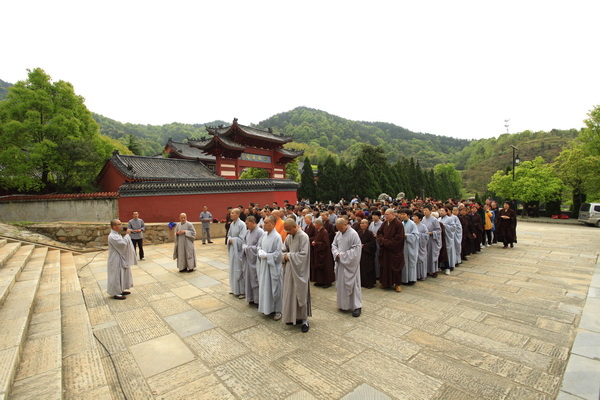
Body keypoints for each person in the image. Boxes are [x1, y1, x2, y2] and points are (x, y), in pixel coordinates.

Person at [282, 218, 311, 333]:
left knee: (301, 294)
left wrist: (288, 256)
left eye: (289, 230)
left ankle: (304, 320)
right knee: (290, 294)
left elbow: (303, 255)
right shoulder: (289, 237)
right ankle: (294, 317)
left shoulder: (304, 237)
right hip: (290, 269)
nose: (288, 233)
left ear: (295, 227)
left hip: (300, 271)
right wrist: (284, 255)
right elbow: (283, 249)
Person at [332, 218, 363, 317]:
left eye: (340, 228)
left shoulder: (353, 234)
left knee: (353, 285)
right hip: (341, 263)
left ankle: (357, 306)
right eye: (338, 228)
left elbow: (357, 249)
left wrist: (343, 256)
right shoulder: (339, 234)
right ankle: (343, 305)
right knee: (341, 285)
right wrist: (336, 253)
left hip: (350, 265)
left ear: (346, 224)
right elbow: (333, 245)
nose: (339, 230)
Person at [257, 216, 283, 319]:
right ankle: (266, 308)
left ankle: (277, 310)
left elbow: (278, 254)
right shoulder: (263, 235)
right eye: (264, 222)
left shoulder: (277, 237)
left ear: (273, 224)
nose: (264, 224)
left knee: (274, 288)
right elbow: (259, 246)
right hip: (264, 266)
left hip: (273, 267)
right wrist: (259, 251)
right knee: (265, 287)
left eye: (267, 223)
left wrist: (267, 256)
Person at [376, 208, 405, 292]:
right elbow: (379, 233)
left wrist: (386, 242)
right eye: (385, 214)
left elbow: (399, 238)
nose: (385, 216)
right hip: (385, 249)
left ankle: (397, 284)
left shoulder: (398, 224)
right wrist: (383, 241)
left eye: (387, 214)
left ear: (393, 215)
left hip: (394, 250)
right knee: (385, 266)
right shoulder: (385, 223)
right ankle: (386, 283)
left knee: (395, 267)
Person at [107, 219, 135, 300]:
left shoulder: (117, 234)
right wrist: (127, 235)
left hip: (120, 257)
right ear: (114, 226)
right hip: (115, 258)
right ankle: (116, 293)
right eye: (119, 224)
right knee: (116, 275)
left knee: (121, 274)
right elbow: (122, 244)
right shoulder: (112, 236)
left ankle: (121, 289)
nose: (121, 226)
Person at [242, 216, 263, 305]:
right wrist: (245, 247)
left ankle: (257, 299)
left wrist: (248, 248)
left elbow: (260, 247)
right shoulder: (247, 232)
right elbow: (243, 242)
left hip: (255, 260)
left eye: (247, 223)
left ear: (253, 222)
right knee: (248, 278)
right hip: (248, 260)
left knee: (256, 279)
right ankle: (251, 297)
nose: (246, 226)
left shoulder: (260, 232)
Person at [227, 208, 247, 298]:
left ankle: (242, 291)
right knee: (233, 269)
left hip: (238, 251)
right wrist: (230, 239)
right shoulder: (232, 224)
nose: (231, 214)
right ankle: (234, 288)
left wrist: (233, 240)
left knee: (239, 269)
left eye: (233, 213)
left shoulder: (242, 224)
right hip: (233, 250)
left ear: (238, 215)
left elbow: (242, 239)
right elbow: (229, 235)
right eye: (231, 213)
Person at [310, 218, 335, 288]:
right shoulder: (319, 231)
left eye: (315, 224)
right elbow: (317, 238)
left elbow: (325, 244)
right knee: (319, 268)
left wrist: (316, 243)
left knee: (325, 268)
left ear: (318, 224)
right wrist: (315, 241)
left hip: (324, 254)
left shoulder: (324, 232)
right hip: (319, 253)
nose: (314, 225)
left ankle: (327, 282)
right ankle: (320, 281)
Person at [399, 209, 419, 284]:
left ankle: (411, 279)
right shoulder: (401, 223)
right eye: (401, 214)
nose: (402, 216)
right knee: (404, 262)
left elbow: (416, 236)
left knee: (410, 263)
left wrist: (406, 236)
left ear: (408, 215)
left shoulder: (412, 224)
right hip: (403, 246)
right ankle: (404, 279)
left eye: (404, 214)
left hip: (410, 246)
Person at [422, 206, 442, 278]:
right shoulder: (423, 219)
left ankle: (434, 270)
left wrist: (431, 233)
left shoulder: (434, 220)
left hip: (432, 240)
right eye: (424, 210)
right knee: (426, 255)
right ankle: (426, 270)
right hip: (425, 240)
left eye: (426, 210)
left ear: (430, 211)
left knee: (432, 255)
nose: (425, 211)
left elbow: (438, 230)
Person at [357, 218, 376, 289]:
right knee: (361, 267)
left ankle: (369, 283)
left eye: (363, 223)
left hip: (367, 253)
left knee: (368, 267)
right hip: (360, 252)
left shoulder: (370, 233)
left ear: (367, 225)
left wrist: (364, 246)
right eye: (361, 223)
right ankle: (361, 282)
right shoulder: (359, 232)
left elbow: (372, 244)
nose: (362, 225)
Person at [412, 212, 429, 281]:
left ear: (420, 219)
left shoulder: (423, 226)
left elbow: (426, 236)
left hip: (420, 245)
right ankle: (415, 275)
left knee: (421, 260)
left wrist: (418, 235)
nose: (414, 218)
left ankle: (422, 275)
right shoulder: (412, 225)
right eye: (413, 216)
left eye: (415, 216)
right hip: (413, 245)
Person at [368, 210, 383, 280]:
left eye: (375, 215)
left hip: (378, 243)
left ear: (379, 216)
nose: (373, 217)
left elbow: (383, 234)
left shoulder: (382, 224)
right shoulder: (371, 224)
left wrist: (377, 235)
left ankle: (379, 274)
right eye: (372, 215)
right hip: (372, 243)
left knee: (378, 258)